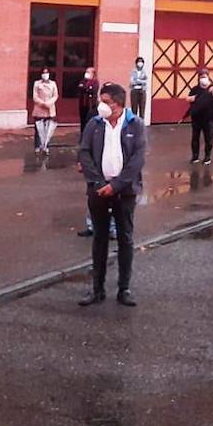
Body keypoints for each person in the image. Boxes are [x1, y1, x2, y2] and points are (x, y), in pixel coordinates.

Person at [77, 83, 146, 307]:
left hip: (124, 191)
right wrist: (98, 182)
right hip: (98, 189)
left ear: (117, 103)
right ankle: (97, 289)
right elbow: (84, 152)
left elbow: (137, 160)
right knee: (99, 238)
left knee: (125, 238)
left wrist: (116, 185)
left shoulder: (135, 125)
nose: (102, 106)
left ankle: (124, 289)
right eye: (101, 101)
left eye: (105, 102)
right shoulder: (94, 124)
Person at [183, 70, 213, 164]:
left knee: (209, 138)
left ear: (208, 77)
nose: (203, 79)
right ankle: (195, 156)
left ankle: (207, 157)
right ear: (199, 78)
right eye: (201, 77)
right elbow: (187, 98)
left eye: (205, 77)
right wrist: (195, 97)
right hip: (196, 118)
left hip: (209, 118)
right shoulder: (195, 89)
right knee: (195, 138)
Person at [32, 67, 59, 154]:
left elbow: (55, 95)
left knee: (48, 129)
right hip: (39, 108)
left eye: (46, 73)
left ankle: (46, 146)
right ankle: (37, 146)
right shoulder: (37, 83)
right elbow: (35, 96)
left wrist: (49, 103)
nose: (45, 75)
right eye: (43, 73)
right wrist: (42, 103)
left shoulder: (53, 84)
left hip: (49, 108)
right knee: (38, 129)